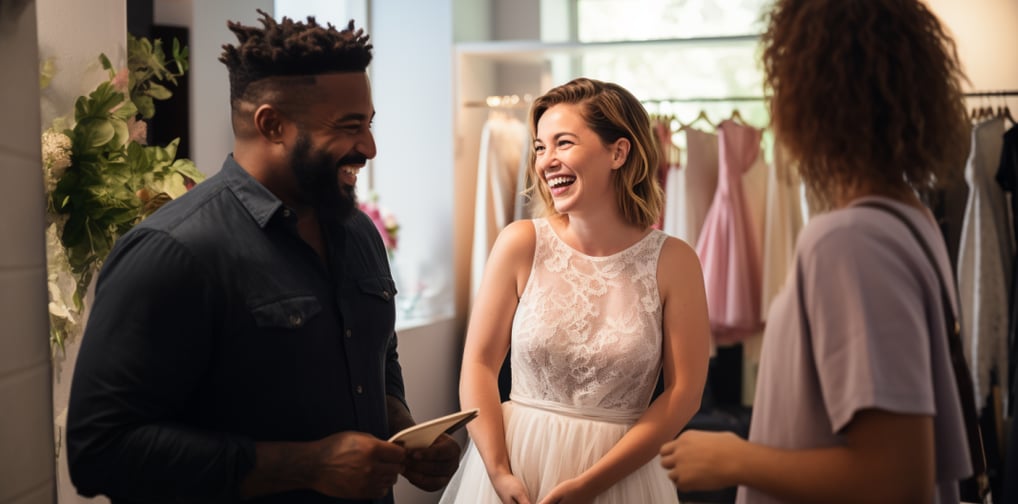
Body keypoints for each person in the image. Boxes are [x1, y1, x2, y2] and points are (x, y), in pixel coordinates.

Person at [65, 10, 460, 504]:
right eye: (350, 126)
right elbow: (100, 450)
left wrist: (403, 429)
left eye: (369, 123)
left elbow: (376, 352)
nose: (370, 147)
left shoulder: (358, 233)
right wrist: (307, 466)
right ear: (272, 124)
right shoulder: (174, 252)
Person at [659, 1, 975, 503]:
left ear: (811, 97)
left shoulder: (849, 240)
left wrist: (734, 459)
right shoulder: (910, 220)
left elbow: (897, 477)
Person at [440, 77, 712, 504]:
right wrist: (497, 471)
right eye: (540, 147)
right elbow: (478, 364)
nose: (546, 161)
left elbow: (683, 394)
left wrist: (591, 485)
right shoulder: (520, 243)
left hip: (622, 476)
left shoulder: (675, 261)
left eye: (563, 143)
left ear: (618, 152)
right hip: (516, 468)